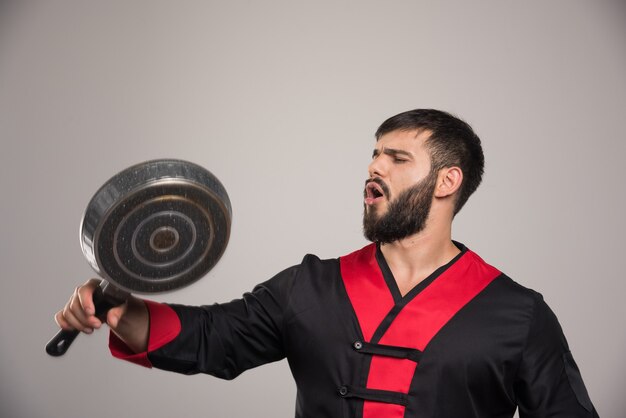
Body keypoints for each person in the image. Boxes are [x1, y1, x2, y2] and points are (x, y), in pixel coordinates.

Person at [54, 109, 599, 418]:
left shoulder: (518, 315)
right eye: (374, 153)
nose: (373, 166)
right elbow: (210, 338)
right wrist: (120, 307)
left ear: (448, 182)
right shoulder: (309, 287)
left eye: (397, 157)